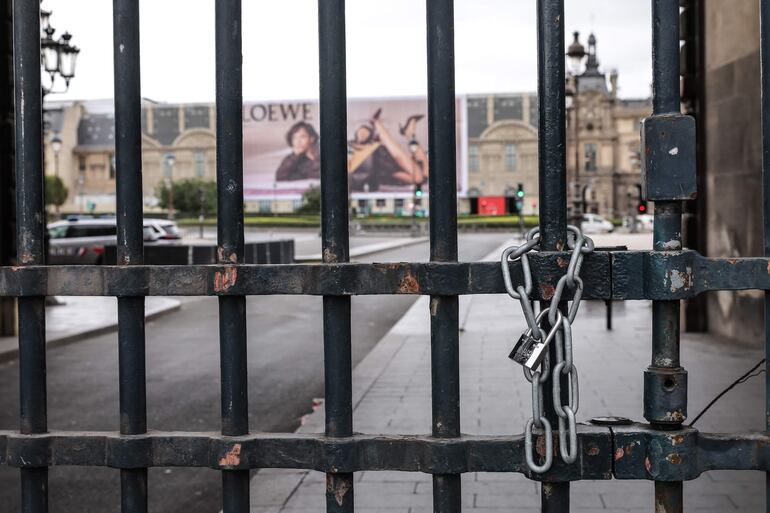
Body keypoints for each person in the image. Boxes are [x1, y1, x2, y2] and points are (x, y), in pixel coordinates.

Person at [347, 109, 428, 192]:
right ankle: (408, 133)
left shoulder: (372, 146)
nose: (363, 134)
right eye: (361, 131)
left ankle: (407, 132)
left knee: (424, 174)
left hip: (387, 164)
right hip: (382, 170)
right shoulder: (350, 146)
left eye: (366, 132)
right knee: (420, 176)